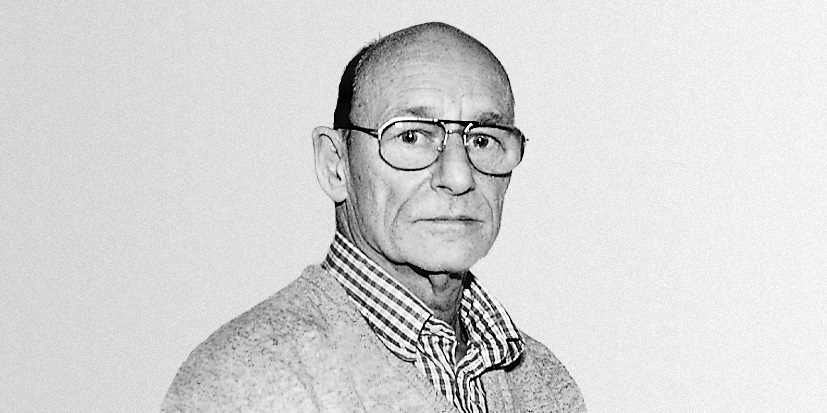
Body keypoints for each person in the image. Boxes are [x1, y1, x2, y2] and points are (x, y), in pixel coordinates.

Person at [162, 22, 585, 413]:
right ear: (335, 165)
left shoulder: (546, 384)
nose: (458, 177)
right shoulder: (247, 382)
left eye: (483, 140)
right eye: (411, 136)